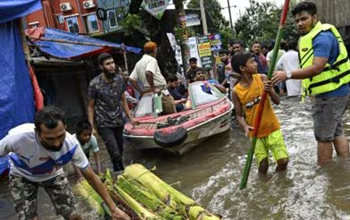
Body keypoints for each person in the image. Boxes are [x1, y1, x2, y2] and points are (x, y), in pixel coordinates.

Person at [0, 106, 130, 220]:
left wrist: (113, 209)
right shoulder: (17, 138)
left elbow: (91, 176)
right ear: (37, 132)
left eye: (60, 136)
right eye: (50, 139)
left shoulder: (71, 144)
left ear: (65, 128)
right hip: (22, 175)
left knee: (73, 216)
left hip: (53, 174)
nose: (57, 143)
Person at [272, 1, 350, 165]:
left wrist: (287, 74)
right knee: (336, 132)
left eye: (304, 19)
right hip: (335, 92)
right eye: (297, 20)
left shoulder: (322, 37)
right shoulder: (315, 35)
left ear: (315, 17)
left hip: (330, 95)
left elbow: (317, 68)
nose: (300, 23)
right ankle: (343, 168)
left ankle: (325, 175)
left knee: (323, 137)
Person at [231, 52, 289, 174]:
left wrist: (270, 91)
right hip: (255, 132)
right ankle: (264, 186)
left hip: (272, 127)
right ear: (242, 68)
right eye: (252, 62)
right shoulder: (236, 91)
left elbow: (277, 101)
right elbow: (239, 115)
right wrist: (245, 126)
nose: (256, 64)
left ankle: (280, 180)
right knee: (263, 166)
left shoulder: (262, 78)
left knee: (283, 161)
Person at [88, 53, 138, 172]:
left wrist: (131, 118)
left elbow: (123, 100)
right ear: (101, 66)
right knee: (114, 151)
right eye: (108, 64)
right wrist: (91, 127)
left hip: (118, 120)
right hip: (104, 123)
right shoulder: (94, 84)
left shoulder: (119, 79)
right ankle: (121, 173)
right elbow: (90, 106)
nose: (111, 66)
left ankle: (118, 172)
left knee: (120, 150)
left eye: (112, 63)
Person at [129, 41, 176, 114]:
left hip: (147, 93)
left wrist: (141, 91)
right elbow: (148, 73)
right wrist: (153, 88)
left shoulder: (139, 63)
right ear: (155, 50)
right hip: (158, 91)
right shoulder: (152, 60)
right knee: (171, 111)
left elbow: (131, 79)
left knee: (156, 113)